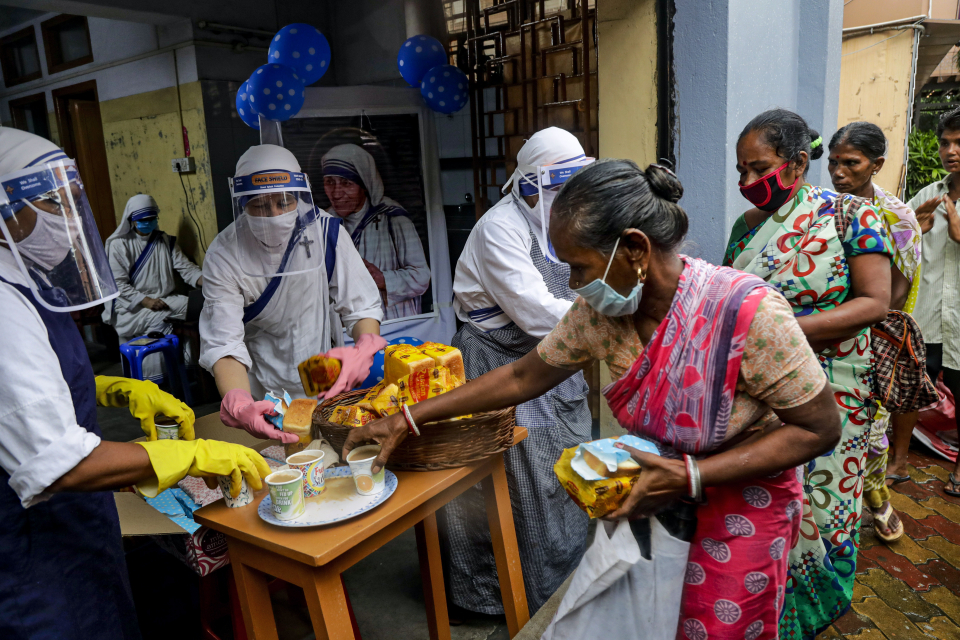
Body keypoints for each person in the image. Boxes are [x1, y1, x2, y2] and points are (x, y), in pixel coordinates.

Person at [343, 159, 841, 640]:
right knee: (647, 621)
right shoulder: (601, 317)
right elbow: (521, 376)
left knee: (715, 626)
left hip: (742, 502)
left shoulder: (747, 313)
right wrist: (408, 417)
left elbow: (818, 429)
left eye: (579, 267)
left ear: (635, 249)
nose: (574, 284)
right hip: (654, 493)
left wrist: (693, 475)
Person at [0, 128, 270, 640]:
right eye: (51, 203)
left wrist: (111, 388)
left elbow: (26, 385)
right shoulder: (2, 302)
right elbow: (59, 464)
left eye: (69, 201)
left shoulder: (25, 281)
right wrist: (187, 456)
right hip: (31, 544)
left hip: (79, 522)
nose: (67, 218)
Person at [724, 109, 893, 638]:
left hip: (834, 387)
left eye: (759, 169)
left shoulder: (850, 216)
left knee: (825, 500)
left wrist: (783, 330)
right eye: (741, 170)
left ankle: (818, 605)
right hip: (762, 391)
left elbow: (875, 303)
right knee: (771, 496)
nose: (748, 181)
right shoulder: (745, 227)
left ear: (798, 163)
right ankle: (767, 602)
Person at [445, 127, 595, 615]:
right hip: (500, 361)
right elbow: (536, 314)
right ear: (531, 186)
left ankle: (566, 585)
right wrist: (615, 318)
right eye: (559, 189)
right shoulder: (499, 229)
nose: (569, 199)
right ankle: (508, 601)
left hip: (554, 360)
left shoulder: (571, 220)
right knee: (520, 487)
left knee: (567, 475)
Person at [200, 144, 386, 453]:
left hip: (325, 378)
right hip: (263, 388)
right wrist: (239, 401)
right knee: (279, 460)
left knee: (332, 457)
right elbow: (224, 343)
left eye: (283, 201)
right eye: (260, 205)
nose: (274, 214)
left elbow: (361, 305)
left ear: (299, 195)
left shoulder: (325, 232)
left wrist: (364, 348)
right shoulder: (225, 254)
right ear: (242, 203)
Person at [827, 121, 923, 544]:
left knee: (871, 432)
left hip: (874, 340)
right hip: (828, 332)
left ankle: (876, 495)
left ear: (876, 164)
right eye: (833, 162)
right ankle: (833, 510)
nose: (839, 172)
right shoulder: (825, 208)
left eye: (851, 163)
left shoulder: (898, 219)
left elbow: (895, 295)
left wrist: (856, 330)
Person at [905, 106, 960, 498]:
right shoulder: (928, 195)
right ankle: (897, 460)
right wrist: (914, 232)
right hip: (926, 317)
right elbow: (893, 243)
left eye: (959, 142)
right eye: (945, 142)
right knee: (910, 389)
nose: (950, 150)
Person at [321, 143, 430, 319]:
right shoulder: (325, 223)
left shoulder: (393, 218)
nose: (336, 193)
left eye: (346, 183)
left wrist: (383, 279)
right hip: (345, 322)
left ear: (364, 184)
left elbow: (422, 276)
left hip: (391, 322)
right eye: (329, 182)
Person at [102, 193, 204, 378]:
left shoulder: (165, 241)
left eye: (151, 218)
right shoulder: (119, 245)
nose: (148, 222)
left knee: (195, 307)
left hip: (163, 300)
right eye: (143, 219)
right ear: (132, 220)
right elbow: (118, 284)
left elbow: (187, 269)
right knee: (162, 318)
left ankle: (190, 367)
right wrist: (145, 300)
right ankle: (156, 378)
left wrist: (206, 280)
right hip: (131, 308)